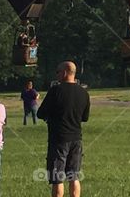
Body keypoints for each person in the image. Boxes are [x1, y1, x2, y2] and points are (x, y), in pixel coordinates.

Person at [37, 61, 90, 197]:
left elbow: (41, 113)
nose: (57, 75)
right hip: (76, 139)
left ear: (65, 72)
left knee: (57, 178)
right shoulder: (84, 93)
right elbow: (85, 117)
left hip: (59, 139)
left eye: (58, 71)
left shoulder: (55, 91)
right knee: (74, 177)